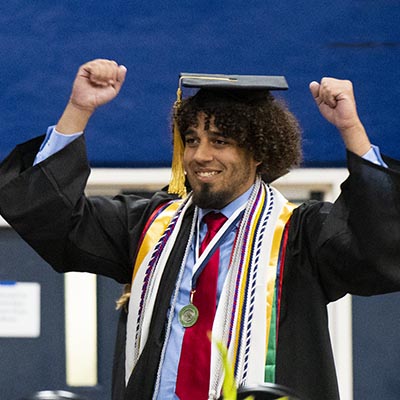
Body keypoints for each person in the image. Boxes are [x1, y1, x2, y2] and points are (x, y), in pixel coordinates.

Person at [0, 59, 400, 400]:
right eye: (191, 140)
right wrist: (78, 109)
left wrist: (352, 131)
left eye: (220, 141)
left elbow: (378, 251)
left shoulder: (301, 235)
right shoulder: (149, 226)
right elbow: (54, 220)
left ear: (259, 151)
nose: (199, 155)